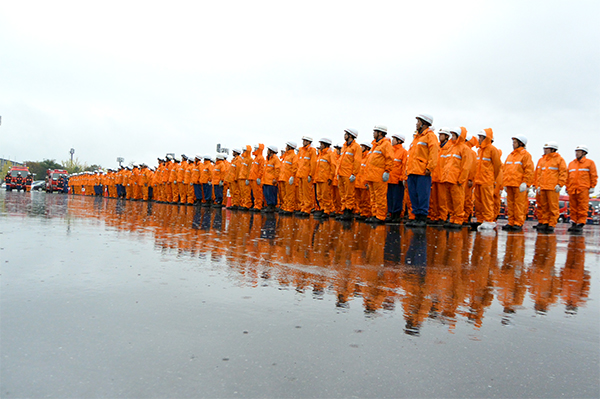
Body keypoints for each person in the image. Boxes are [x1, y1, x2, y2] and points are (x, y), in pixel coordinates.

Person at [406, 114, 439, 227]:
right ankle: (416, 216)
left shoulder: (430, 136)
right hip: (412, 171)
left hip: (422, 171)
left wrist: (430, 167)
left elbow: (434, 153)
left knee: (422, 195)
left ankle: (422, 218)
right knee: (413, 195)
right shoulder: (417, 138)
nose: (416, 124)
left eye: (418, 122)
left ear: (424, 123)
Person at [440, 127, 474, 228]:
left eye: (454, 135)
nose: (452, 137)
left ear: (460, 136)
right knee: (449, 200)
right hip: (448, 178)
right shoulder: (451, 148)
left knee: (457, 200)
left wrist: (461, 179)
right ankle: (452, 218)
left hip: (456, 179)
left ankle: (458, 219)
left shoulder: (465, 149)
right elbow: (446, 163)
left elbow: (466, 166)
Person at [532, 141, 567, 233]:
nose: (545, 150)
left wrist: (560, 184)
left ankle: (551, 224)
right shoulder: (542, 160)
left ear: (553, 149)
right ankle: (544, 222)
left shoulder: (559, 160)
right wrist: (536, 185)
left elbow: (563, 173)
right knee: (543, 206)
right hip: (542, 187)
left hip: (553, 187)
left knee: (553, 206)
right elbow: (537, 173)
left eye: (546, 149)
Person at [502, 135, 534, 231]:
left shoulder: (526, 155)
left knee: (519, 205)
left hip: (519, 184)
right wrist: (504, 183)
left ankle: (518, 223)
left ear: (521, 143)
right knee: (510, 205)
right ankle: (511, 222)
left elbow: (529, 170)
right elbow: (505, 170)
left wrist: (525, 183)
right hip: (510, 183)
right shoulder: (510, 155)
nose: (513, 144)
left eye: (515, 142)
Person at [473, 128, 502, 230]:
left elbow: (497, 166)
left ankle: (489, 220)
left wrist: (493, 178)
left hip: (487, 180)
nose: (479, 139)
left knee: (487, 201)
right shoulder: (479, 150)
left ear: (486, 138)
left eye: (481, 137)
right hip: (478, 180)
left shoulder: (492, 150)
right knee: (478, 202)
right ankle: (480, 220)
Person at [365, 125, 394, 223]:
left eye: (375, 132)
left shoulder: (386, 144)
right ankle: (375, 215)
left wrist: (387, 171)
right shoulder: (375, 145)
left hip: (379, 175)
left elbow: (390, 159)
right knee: (373, 197)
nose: (373, 133)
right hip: (372, 175)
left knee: (380, 197)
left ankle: (380, 216)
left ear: (380, 133)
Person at [566, 145, 597, 232]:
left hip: (583, 188)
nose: (576, 153)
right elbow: (568, 176)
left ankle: (580, 223)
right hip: (572, 188)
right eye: (576, 151)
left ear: (584, 153)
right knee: (573, 207)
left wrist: (592, 186)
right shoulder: (571, 164)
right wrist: (567, 186)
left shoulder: (590, 163)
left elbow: (593, 175)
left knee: (582, 207)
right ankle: (574, 223)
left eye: (578, 152)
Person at [336, 128, 362, 220]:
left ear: (350, 135)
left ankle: (349, 211)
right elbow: (340, 161)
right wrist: (338, 172)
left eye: (346, 134)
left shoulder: (356, 147)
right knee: (343, 193)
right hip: (342, 173)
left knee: (349, 193)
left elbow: (357, 161)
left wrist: (354, 174)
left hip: (348, 174)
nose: (344, 136)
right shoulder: (344, 147)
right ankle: (344, 209)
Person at [386, 133, 407, 223]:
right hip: (390, 179)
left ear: (399, 141)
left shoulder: (403, 152)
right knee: (390, 198)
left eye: (394, 139)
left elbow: (404, 166)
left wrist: (402, 178)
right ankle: (391, 214)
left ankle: (397, 215)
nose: (392, 141)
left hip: (397, 180)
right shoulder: (391, 151)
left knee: (397, 198)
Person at [314, 138, 336, 218]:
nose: (320, 146)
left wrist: (330, 177)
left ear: (326, 145)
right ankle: (322, 209)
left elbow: (333, 166)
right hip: (319, 178)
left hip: (325, 179)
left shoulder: (330, 154)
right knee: (319, 195)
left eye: (321, 144)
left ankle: (327, 211)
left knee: (325, 195)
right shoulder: (321, 154)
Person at [296, 136, 317, 217]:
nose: (303, 142)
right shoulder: (301, 150)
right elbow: (299, 163)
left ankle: (307, 209)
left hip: (306, 175)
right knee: (301, 193)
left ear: (309, 142)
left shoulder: (312, 151)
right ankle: (302, 208)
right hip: (301, 174)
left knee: (307, 193)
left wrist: (311, 175)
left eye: (305, 141)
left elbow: (313, 163)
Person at [262, 146, 281, 213]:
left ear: (271, 151)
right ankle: (269, 206)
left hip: (271, 181)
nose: (267, 151)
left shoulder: (275, 159)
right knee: (266, 193)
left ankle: (272, 207)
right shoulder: (268, 159)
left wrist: (275, 178)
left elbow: (277, 169)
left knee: (271, 194)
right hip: (266, 180)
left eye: (268, 150)